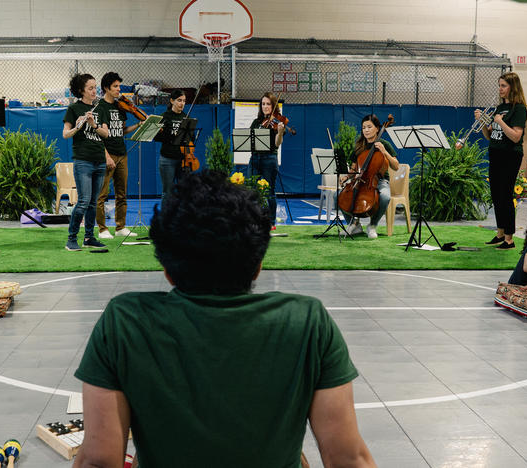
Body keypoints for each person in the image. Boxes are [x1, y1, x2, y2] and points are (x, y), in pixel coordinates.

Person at [73, 170, 375, 468]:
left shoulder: (124, 321)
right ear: (257, 267)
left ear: (167, 269)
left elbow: (99, 460)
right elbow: (347, 459)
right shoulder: (308, 322)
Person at [62, 73, 113, 251]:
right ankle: (71, 238)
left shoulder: (101, 108)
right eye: (90, 88)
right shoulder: (74, 108)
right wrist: (78, 126)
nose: (94, 91)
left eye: (95, 87)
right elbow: (65, 134)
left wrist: (94, 125)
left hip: (99, 160)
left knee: (93, 202)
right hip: (83, 161)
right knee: (83, 201)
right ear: (81, 90)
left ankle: (89, 237)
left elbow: (106, 134)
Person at [481, 72, 527, 250]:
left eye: (503, 86)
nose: (500, 89)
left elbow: (516, 136)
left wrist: (500, 123)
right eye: (499, 85)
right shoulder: (499, 108)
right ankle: (500, 233)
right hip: (495, 153)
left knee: (506, 195)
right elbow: (490, 136)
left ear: (512, 87)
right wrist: (484, 124)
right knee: (496, 195)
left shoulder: (520, 109)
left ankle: (509, 239)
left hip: (510, 155)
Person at [95, 72, 144, 239]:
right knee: (102, 194)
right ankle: (102, 229)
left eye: (119, 86)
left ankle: (120, 227)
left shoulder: (120, 106)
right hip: (107, 154)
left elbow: (122, 130)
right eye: (115, 86)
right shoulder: (100, 107)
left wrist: (138, 124)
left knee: (121, 193)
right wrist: (107, 156)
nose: (118, 89)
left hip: (122, 154)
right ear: (106, 88)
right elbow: (98, 136)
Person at [337, 114, 399, 239]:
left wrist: (384, 152)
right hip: (359, 180)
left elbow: (396, 166)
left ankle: (372, 225)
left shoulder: (384, 144)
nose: (366, 130)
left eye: (369, 127)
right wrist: (346, 177)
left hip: (379, 181)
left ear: (377, 128)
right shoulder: (360, 145)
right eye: (364, 127)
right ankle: (354, 224)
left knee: (385, 197)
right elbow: (355, 168)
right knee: (338, 196)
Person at [249, 92, 285, 229]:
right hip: (255, 158)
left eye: (268, 104)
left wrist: (280, 132)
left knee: (270, 191)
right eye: (263, 104)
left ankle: (271, 222)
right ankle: (255, 220)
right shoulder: (256, 122)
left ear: (273, 105)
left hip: (269, 159)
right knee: (252, 190)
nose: (265, 106)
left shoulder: (277, 121)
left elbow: (277, 144)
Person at [155, 89, 188, 207]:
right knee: (167, 192)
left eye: (184, 101)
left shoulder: (186, 117)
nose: (182, 103)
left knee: (184, 192)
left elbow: (190, 138)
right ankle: (165, 220)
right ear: (172, 101)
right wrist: (169, 135)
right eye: (179, 100)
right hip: (167, 159)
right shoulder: (165, 116)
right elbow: (156, 137)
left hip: (183, 159)